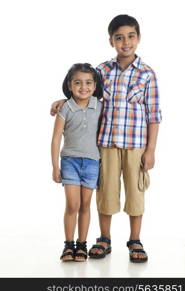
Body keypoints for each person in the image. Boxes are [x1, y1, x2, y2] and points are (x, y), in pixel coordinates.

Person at [50, 15, 162, 263]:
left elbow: (154, 114)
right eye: (119, 37)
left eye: (131, 36)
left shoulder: (147, 74)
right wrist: (62, 101)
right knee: (106, 193)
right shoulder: (102, 71)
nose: (125, 42)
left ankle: (135, 240)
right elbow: (85, 93)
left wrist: (151, 149)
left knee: (135, 193)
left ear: (139, 38)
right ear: (111, 41)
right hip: (106, 145)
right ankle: (104, 238)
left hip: (135, 145)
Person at [51, 63, 103, 262]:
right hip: (70, 161)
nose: (84, 87)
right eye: (78, 83)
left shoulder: (99, 106)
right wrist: (55, 166)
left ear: (95, 85)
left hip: (91, 162)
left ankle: (82, 245)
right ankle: (68, 245)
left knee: (86, 204)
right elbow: (56, 138)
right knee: (72, 204)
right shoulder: (65, 108)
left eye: (89, 82)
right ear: (70, 85)